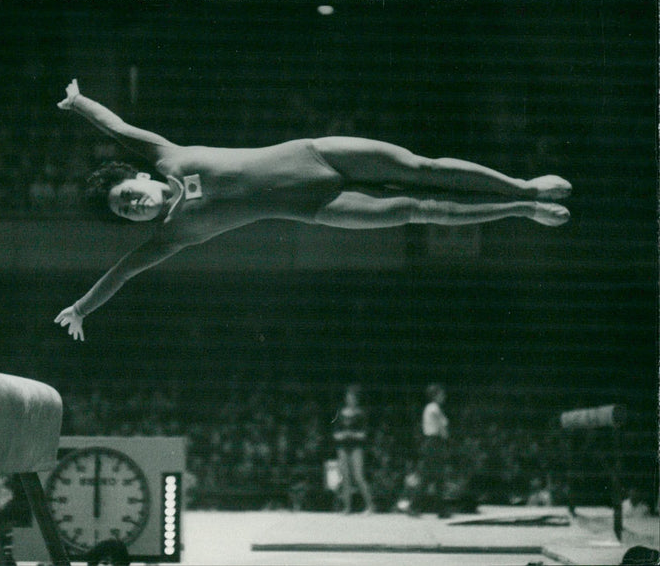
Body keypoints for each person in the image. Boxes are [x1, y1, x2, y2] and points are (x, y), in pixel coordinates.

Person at [54, 79, 571, 340]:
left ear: (137, 177)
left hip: (314, 152)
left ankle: (522, 184)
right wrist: (80, 308)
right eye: (127, 214)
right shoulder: (171, 236)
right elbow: (119, 275)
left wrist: (78, 103)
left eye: (127, 196)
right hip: (320, 206)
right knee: (417, 209)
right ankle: (523, 209)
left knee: (421, 166)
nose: (136, 206)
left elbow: (118, 128)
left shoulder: (166, 155)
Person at [332, 384, 375, 514]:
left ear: (357, 399)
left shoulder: (361, 414)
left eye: (353, 397)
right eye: (348, 397)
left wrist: (352, 434)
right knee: (345, 477)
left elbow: (364, 434)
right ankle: (347, 507)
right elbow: (335, 433)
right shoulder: (340, 413)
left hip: (356, 447)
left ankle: (371, 506)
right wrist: (341, 435)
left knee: (358, 476)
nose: (350, 399)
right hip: (342, 446)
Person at [416, 383, 451, 517]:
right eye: (441, 394)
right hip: (434, 442)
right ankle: (438, 509)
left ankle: (438, 508)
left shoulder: (433, 408)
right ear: (435, 395)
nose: (444, 396)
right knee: (434, 476)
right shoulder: (434, 408)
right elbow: (441, 428)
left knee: (432, 476)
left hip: (432, 442)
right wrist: (446, 440)